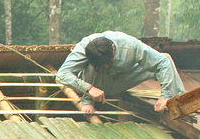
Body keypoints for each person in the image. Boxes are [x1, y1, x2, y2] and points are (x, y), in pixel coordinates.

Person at [55, 31, 185, 114]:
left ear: (113, 51)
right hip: (97, 84)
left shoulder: (130, 46)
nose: (106, 66)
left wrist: (165, 95)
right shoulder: (83, 48)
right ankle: (87, 100)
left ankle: (180, 101)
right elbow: (62, 75)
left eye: (108, 62)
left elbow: (162, 63)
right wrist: (88, 89)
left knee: (165, 59)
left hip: (122, 80)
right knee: (88, 67)